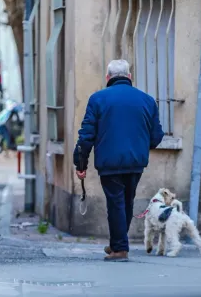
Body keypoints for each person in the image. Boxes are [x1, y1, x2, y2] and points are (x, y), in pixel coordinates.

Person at [73, 59, 164, 262]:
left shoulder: (98, 99)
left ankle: (120, 249)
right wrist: (140, 147)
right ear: (129, 76)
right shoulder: (147, 100)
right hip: (135, 162)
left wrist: (81, 164)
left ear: (108, 78)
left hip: (109, 163)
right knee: (126, 201)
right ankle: (117, 244)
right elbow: (157, 136)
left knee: (116, 203)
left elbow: (86, 135)